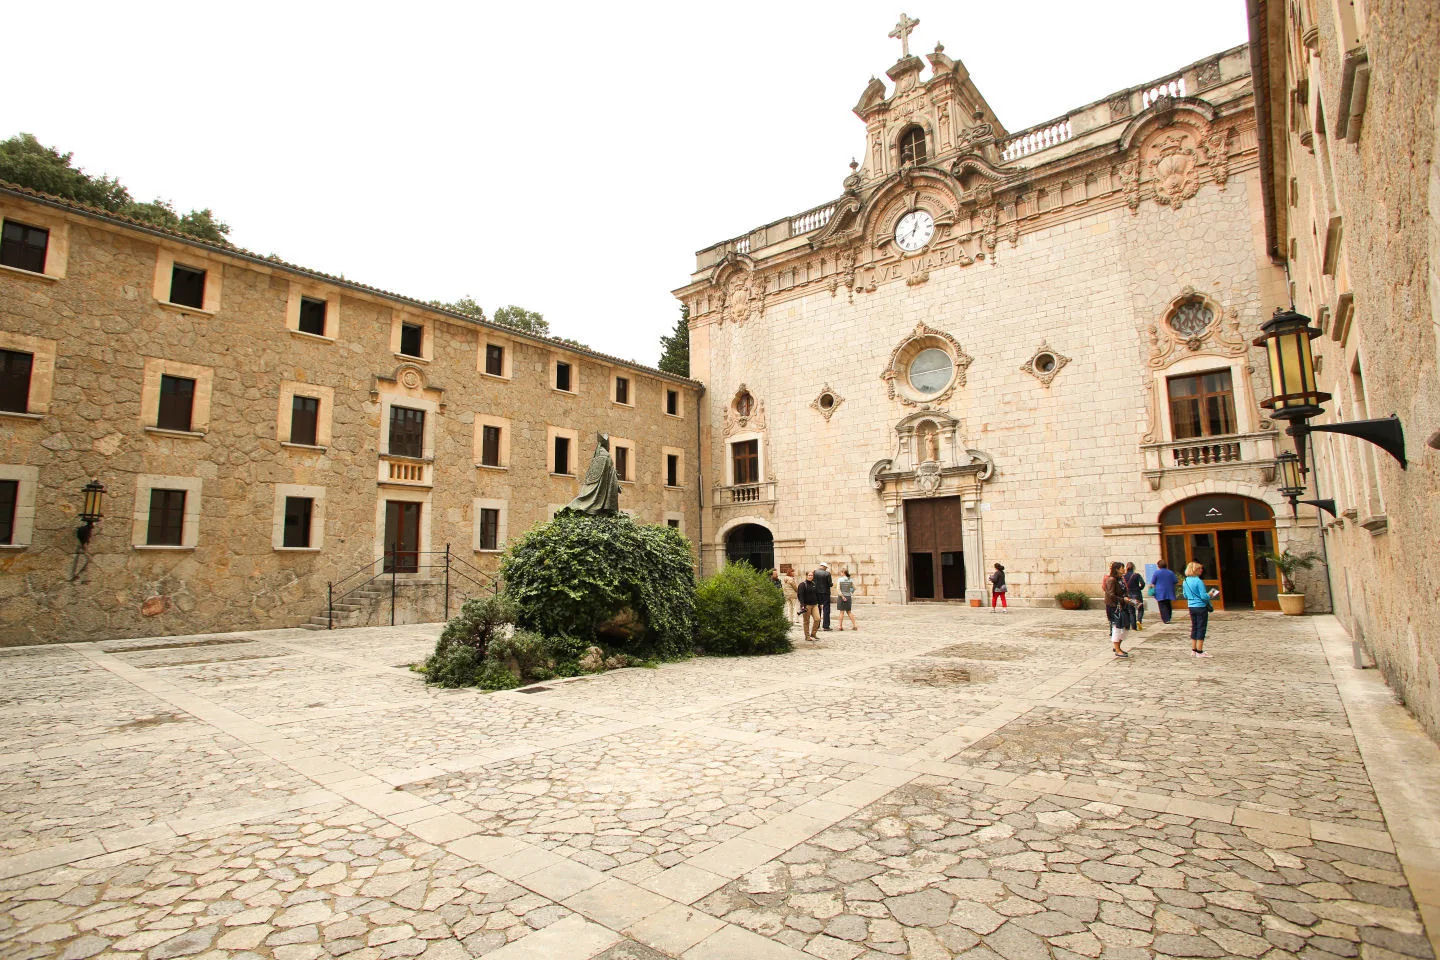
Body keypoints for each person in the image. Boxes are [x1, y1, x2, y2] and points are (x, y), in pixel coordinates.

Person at [1103, 561, 1136, 657]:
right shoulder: (1111, 580)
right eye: (1122, 568)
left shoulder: (1120, 579)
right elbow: (1111, 595)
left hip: (1122, 605)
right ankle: (1117, 649)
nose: (1124, 569)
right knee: (1117, 627)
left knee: (1126, 627)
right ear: (1117, 569)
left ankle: (1118, 646)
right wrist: (1123, 599)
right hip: (1114, 607)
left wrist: (1128, 599)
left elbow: (1123, 591)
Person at [1183, 561, 1212, 657]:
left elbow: (1185, 595)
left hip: (1191, 606)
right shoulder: (1198, 581)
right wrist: (1210, 595)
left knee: (1194, 627)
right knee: (1201, 627)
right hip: (1200, 606)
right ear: (1195, 570)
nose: (1201, 570)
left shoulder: (1185, 581)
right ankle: (1200, 651)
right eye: (1200, 569)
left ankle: (1194, 649)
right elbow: (1203, 596)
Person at [797, 571, 821, 641]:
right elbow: (800, 595)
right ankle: (807, 636)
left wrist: (820, 603)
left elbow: (817, 594)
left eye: (811, 575)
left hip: (815, 605)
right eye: (809, 575)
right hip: (806, 606)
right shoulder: (802, 585)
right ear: (806, 576)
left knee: (817, 619)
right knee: (806, 621)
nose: (810, 576)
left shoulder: (814, 584)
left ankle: (813, 634)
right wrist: (802, 605)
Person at [1124, 562, 1146, 630]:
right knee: (1140, 608)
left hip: (1129, 595)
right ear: (1133, 568)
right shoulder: (1136, 575)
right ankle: (1139, 620)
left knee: (1131, 611)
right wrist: (1140, 588)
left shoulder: (1124, 576)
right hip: (1137, 594)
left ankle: (1133, 627)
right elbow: (1143, 583)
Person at [813, 562, 834, 631]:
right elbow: (830, 584)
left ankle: (817, 626)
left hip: (817, 593)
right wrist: (831, 584)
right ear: (824, 567)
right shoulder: (827, 573)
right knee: (826, 609)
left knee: (817, 609)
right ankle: (826, 626)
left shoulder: (815, 572)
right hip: (825, 593)